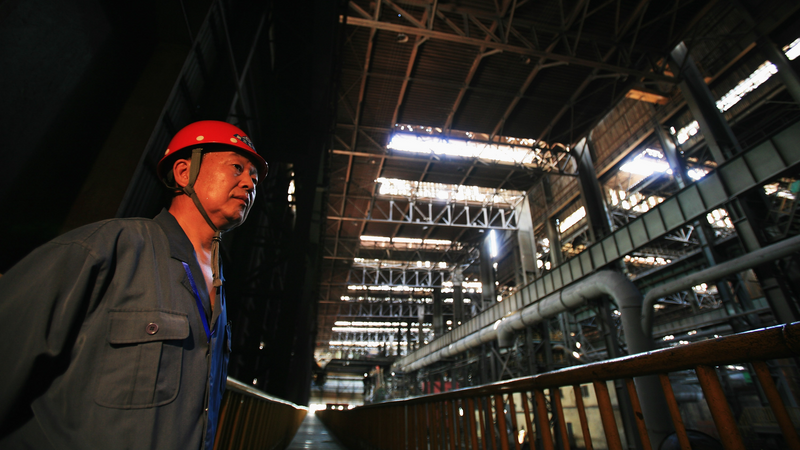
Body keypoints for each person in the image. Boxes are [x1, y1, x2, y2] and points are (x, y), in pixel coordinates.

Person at [0, 120, 268, 450]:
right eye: (237, 168)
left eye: (254, 178)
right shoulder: (105, 249)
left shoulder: (219, 284)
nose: (249, 184)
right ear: (184, 173)